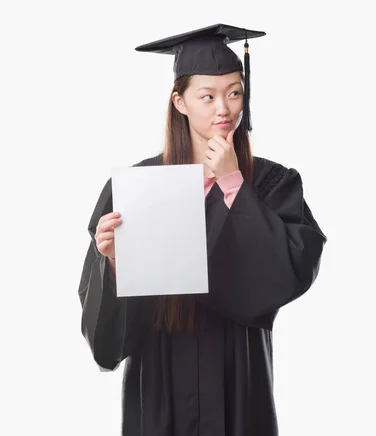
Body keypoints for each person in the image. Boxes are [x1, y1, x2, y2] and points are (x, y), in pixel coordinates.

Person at [77, 23, 327, 436]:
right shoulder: (138, 187)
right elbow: (106, 341)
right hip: (160, 386)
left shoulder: (271, 183)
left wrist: (233, 184)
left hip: (239, 382)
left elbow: (289, 271)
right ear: (180, 101)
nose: (223, 108)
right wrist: (117, 265)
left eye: (234, 92)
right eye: (207, 96)